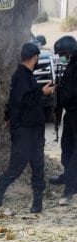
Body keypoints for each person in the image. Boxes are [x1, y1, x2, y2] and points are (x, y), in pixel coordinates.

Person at [0, 43, 54, 213]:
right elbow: (22, 101)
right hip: (24, 130)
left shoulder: (27, 75)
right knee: (17, 165)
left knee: (38, 166)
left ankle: (37, 202)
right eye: (38, 57)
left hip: (35, 129)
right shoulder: (20, 76)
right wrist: (42, 93)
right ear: (34, 57)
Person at [51, 36, 77, 205]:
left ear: (69, 52)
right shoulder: (72, 64)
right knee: (66, 146)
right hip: (71, 114)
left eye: (62, 53)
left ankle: (70, 187)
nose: (61, 57)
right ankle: (67, 175)